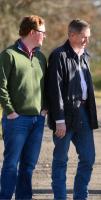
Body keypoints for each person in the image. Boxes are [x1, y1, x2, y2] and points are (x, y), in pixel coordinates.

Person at [46, 19, 98, 200]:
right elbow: (55, 90)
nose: (87, 41)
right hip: (64, 116)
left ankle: (80, 196)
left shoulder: (85, 56)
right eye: (84, 37)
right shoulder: (58, 55)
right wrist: (59, 120)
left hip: (84, 113)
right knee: (61, 160)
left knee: (88, 158)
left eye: (88, 37)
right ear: (72, 35)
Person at [0, 15, 47, 200]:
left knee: (29, 165)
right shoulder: (8, 55)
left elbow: (46, 86)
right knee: (11, 164)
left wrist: (44, 109)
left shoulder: (40, 57)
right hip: (16, 120)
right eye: (43, 32)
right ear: (33, 32)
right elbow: (1, 87)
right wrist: (10, 112)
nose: (45, 36)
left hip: (37, 119)